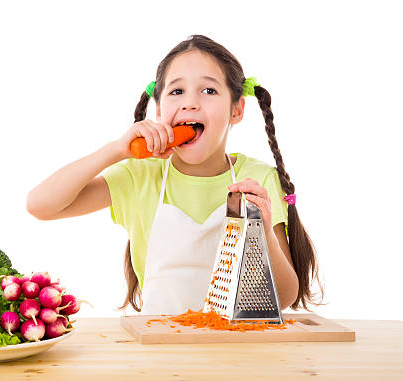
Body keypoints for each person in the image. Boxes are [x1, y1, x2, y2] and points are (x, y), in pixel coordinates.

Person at [26, 35, 324, 315]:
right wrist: (116, 150)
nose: (190, 102)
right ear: (158, 110)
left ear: (237, 109)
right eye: (177, 91)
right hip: (159, 351)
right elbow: (41, 205)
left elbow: (284, 297)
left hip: (235, 351)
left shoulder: (257, 178)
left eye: (209, 91)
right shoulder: (139, 176)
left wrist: (264, 227)